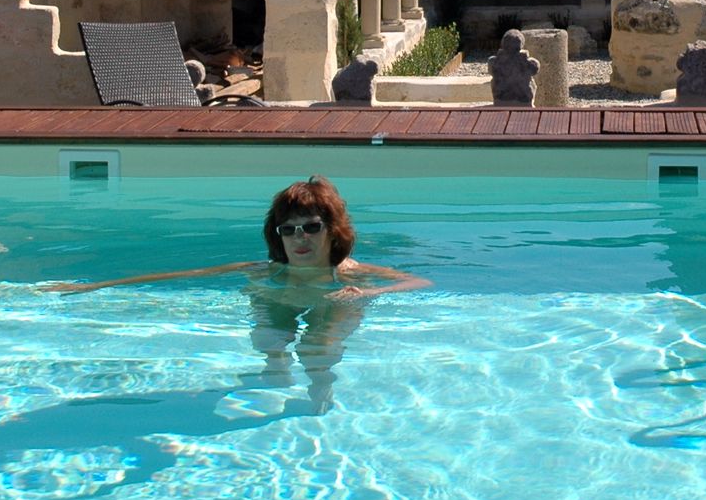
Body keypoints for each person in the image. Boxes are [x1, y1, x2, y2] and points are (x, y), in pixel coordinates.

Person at [48, 176, 428, 412]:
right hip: (283, 296)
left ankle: (320, 387)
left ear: (332, 230)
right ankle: (275, 367)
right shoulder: (267, 270)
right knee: (267, 326)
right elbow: (180, 274)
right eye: (289, 230)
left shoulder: (350, 272)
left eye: (310, 227)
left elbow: (418, 283)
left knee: (317, 351)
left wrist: (368, 292)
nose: (300, 238)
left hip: (335, 301)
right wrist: (89, 287)